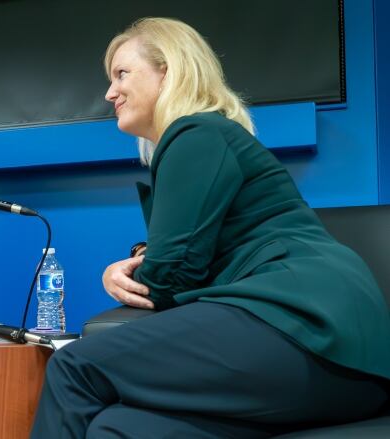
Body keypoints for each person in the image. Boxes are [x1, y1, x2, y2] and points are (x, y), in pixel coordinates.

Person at [30, 17, 390, 438]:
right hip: (350, 373)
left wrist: (120, 273)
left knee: (74, 366)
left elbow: (170, 275)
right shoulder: (211, 138)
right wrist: (141, 259)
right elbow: (190, 251)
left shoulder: (196, 133)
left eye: (122, 74)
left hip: (307, 330)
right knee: (119, 428)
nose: (110, 93)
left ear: (168, 71)